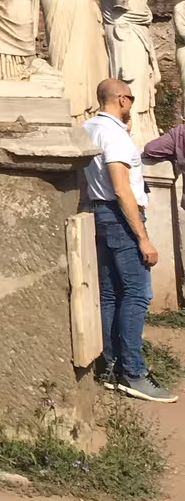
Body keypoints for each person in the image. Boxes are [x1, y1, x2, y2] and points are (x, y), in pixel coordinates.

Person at [84, 77, 177, 401]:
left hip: (99, 212)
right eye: (132, 99)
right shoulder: (115, 136)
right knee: (137, 295)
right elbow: (122, 188)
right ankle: (133, 373)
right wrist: (143, 238)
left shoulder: (88, 128)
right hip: (122, 217)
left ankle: (110, 368)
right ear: (122, 99)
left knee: (111, 294)